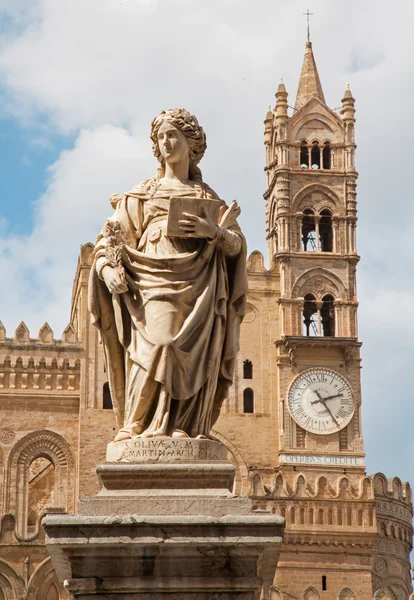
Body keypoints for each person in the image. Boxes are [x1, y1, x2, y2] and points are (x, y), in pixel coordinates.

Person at [88, 108, 247, 441]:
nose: (166, 142)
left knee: (195, 356)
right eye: (161, 137)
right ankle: (138, 424)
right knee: (160, 343)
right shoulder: (142, 195)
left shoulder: (207, 197)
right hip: (150, 280)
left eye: (173, 135)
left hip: (200, 287)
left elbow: (235, 246)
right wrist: (106, 270)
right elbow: (107, 241)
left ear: (192, 144)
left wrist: (212, 232)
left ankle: (182, 425)